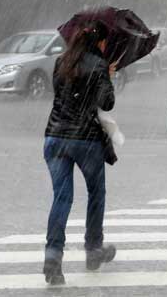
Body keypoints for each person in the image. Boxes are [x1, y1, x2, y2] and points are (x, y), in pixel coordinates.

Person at [42, 20, 117, 285]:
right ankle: (93, 250)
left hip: (54, 137)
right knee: (96, 193)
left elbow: (62, 94)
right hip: (85, 140)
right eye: (106, 42)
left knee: (61, 199)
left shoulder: (60, 61)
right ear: (100, 42)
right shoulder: (98, 65)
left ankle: (52, 257)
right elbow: (106, 102)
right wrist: (107, 74)